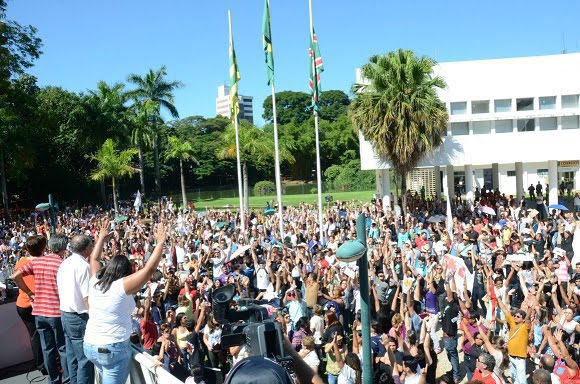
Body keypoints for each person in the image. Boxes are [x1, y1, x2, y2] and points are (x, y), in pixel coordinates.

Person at [83, 220, 167, 384]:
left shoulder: (95, 281)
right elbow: (149, 270)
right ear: (126, 274)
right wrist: (160, 243)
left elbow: (94, 259)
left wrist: (100, 237)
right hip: (111, 348)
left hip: (90, 346)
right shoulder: (121, 286)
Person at [12, 234, 70, 384]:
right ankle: (67, 381)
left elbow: (15, 276)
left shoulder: (37, 262)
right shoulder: (61, 263)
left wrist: (30, 293)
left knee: (47, 349)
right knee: (62, 349)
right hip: (55, 312)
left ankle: (53, 380)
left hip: (39, 312)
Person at [57, 234, 95, 384]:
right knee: (84, 360)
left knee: (72, 358)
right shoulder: (84, 267)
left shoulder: (65, 263)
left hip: (65, 315)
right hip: (78, 318)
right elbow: (86, 298)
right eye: (92, 244)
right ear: (86, 248)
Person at [14, 235, 46, 374]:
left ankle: (41, 365)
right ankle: (45, 365)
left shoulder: (21, 262)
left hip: (22, 305)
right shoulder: (42, 263)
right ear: (43, 248)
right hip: (36, 305)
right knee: (44, 336)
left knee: (35, 336)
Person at [496, 297, 530, 384]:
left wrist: (530, 309)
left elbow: (528, 318)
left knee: (522, 380)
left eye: (518, 316)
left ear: (523, 319)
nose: (515, 317)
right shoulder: (512, 322)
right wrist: (498, 297)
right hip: (510, 355)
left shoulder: (525, 327)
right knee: (513, 377)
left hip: (520, 358)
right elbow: (504, 310)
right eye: (514, 315)